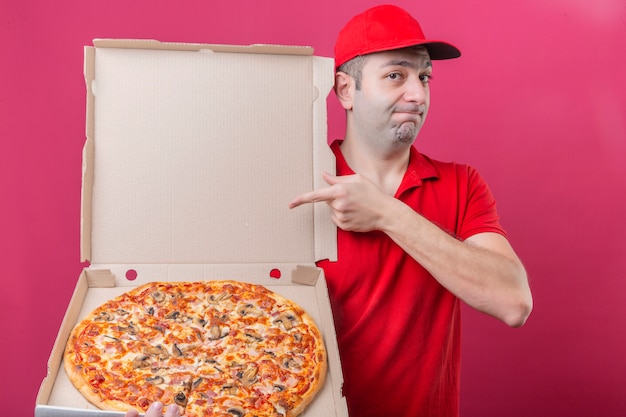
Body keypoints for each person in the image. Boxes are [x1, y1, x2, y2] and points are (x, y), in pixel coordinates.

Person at [126, 4, 532, 417]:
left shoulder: (461, 185)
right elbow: (227, 324)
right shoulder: (293, 182)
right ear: (344, 91)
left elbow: (513, 302)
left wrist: (387, 214)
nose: (418, 93)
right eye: (396, 75)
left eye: (424, 76)